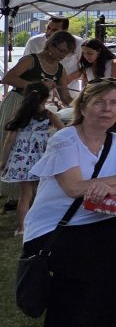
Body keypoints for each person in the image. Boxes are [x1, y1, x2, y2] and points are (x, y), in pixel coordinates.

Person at [21, 80, 116, 327]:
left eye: (114, 103)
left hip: (99, 221)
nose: (107, 109)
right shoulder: (65, 140)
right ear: (84, 106)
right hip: (55, 228)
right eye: (100, 102)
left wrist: (113, 187)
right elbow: (75, 188)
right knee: (96, 263)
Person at [1, 30, 76, 211]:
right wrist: (38, 86)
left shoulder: (59, 69)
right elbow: (8, 78)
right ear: (51, 45)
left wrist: (81, 106)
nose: (63, 55)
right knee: (10, 145)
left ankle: (23, 197)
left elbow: (65, 96)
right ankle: (11, 194)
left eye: (67, 52)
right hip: (18, 104)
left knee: (28, 152)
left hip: (37, 110)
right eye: (61, 50)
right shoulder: (31, 60)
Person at [1, 82, 64, 236]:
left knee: (25, 195)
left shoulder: (20, 116)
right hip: (42, 159)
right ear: (46, 98)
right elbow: (63, 130)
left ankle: (22, 228)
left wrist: (3, 161)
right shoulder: (48, 115)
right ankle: (41, 223)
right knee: (42, 193)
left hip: (22, 160)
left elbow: (9, 140)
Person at [24, 16, 84, 96]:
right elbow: (23, 70)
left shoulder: (79, 43)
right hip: (39, 94)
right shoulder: (33, 42)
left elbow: (85, 67)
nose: (49, 32)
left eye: (55, 30)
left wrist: (69, 78)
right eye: (48, 28)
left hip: (70, 91)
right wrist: (37, 85)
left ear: (65, 31)